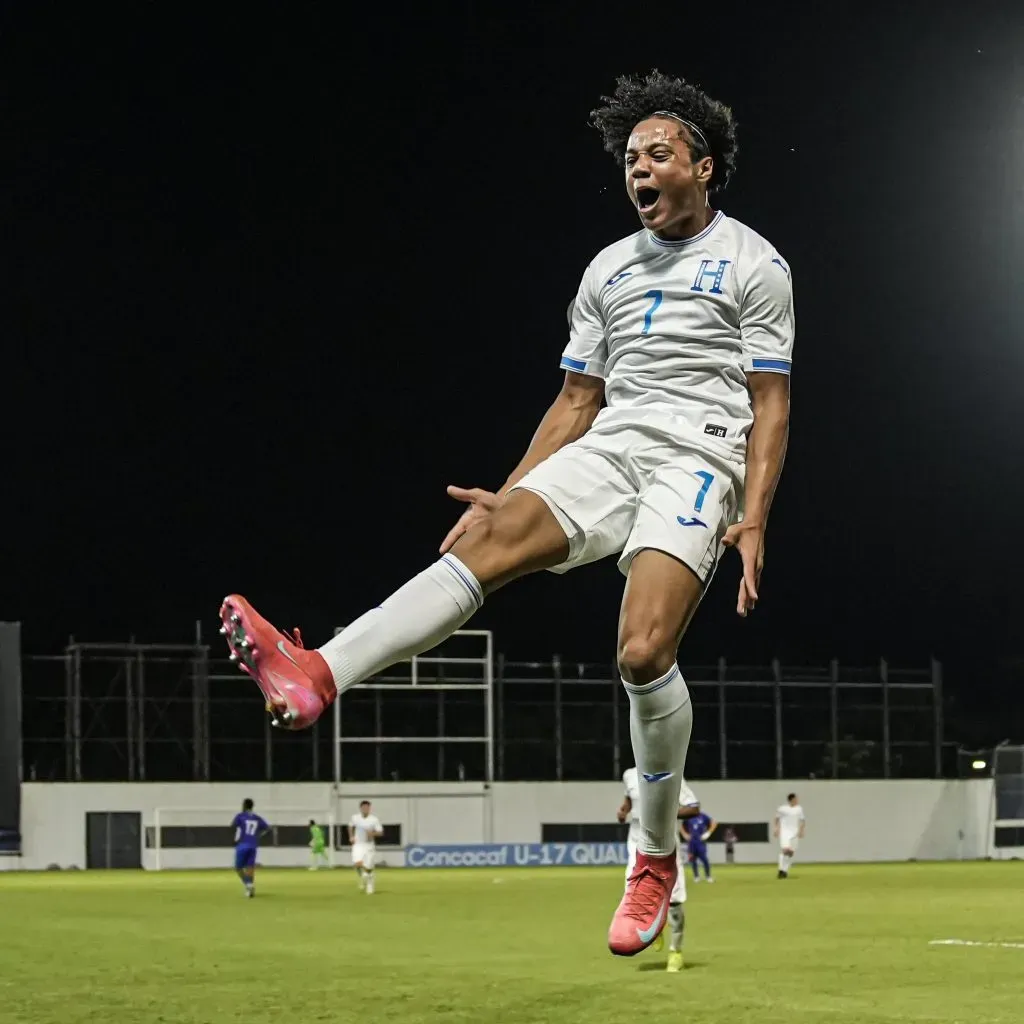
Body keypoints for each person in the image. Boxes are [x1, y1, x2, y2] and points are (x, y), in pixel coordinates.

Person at [218, 68, 794, 957]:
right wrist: (513, 486)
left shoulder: (758, 264)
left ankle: (652, 854)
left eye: (658, 154)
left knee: (642, 650)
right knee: (488, 537)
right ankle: (318, 671)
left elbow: (771, 405)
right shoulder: (606, 268)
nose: (639, 168)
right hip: (612, 444)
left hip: (698, 456)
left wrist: (754, 515)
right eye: (631, 158)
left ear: (704, 167)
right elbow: (574, 400)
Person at [230, 798, 269, 898]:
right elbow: (267, 828)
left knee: (238, 868)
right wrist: (258, 835)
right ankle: (250, 887)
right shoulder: (257, 817)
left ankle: (248, 885)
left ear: (244, 805)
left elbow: (233, 826)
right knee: (250, 867)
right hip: (253, 845)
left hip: (243, 844)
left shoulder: (240, 816)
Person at [348, 800, 383, 894]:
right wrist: (351, 836)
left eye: (367, 808)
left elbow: (380, 832)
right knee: (357, 864)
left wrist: (372, 833)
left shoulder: (374, 819)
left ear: (369, 808)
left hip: (369, 845)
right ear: (360, 808)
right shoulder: (355, 818)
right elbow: (350, 826)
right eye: (364, 807)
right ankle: (364, 877)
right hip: (358, 844)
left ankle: (369, 884)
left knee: (368, 867)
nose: (365, 809)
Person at [774, 793, 806, 878]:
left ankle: (784, 871)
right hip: (785, 832)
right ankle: (780, 870)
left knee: (790, 853)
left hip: (794, 833)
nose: (797, 800)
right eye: (796, 799)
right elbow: (776, 818)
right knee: (785, 850)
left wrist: (801, 831)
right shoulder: (782, 809)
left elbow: (802, 820)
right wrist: (776, 829)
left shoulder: (799, 809)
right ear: (791, 800)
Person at [681, 806, 717, 882]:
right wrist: (685, 835)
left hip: (700, 842)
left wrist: (708, 833)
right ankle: (696, 876)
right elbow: (681, 826)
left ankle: (708, 876)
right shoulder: (688, 817)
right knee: (693, 860)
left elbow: (714, 823)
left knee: (705, 860)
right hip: (691, 843)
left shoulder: (703, 816)